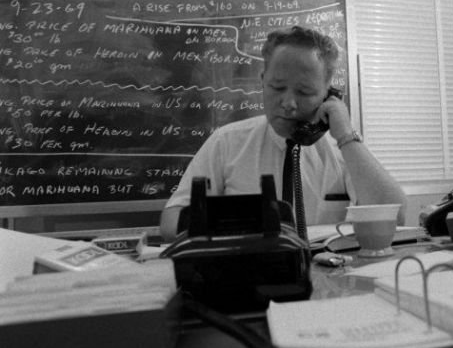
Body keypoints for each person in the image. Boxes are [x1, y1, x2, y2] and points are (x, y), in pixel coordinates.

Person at [159, 26, 406, 241]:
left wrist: (346, 137)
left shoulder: (343, 149)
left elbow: (397, 217)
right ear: (263, 81)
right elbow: (170, 222)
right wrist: (244, 223)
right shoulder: (227, 142)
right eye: (277, 87)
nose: (288, 103)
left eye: (304, 92)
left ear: (328, 94)